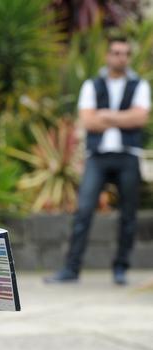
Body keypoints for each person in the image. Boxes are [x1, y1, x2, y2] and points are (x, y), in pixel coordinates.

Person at [45, 37, 150, 286]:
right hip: (98, 157)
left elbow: (140, 119)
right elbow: (88, 121)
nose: (120, 57)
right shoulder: (92, 85)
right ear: (108, 55)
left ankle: (121, 268)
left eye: (125, 53)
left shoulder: (140, 84)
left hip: (128, 155)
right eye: (115, 52)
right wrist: (122, 117)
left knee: (128, 215)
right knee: (83, 211)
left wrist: (105, 115)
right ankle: (71, 268)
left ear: (129, 57)